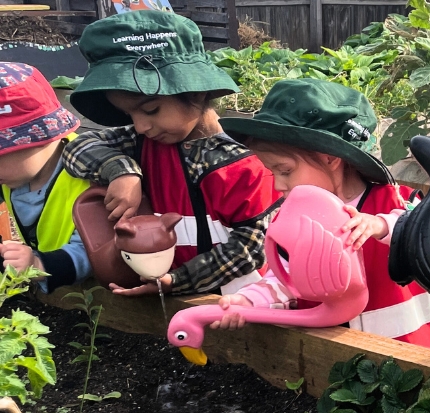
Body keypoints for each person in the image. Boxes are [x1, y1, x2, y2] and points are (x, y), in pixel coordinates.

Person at [210, 79, 430, 350]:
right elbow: (283, 277)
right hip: (330, 356)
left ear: (329, 158)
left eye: (285, 171)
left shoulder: (396, 200)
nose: (277, 185)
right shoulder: (294, 220)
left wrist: (382, 225)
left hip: (408, 354)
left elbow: (428, 230)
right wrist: (249, 301)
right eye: (273, 173)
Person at [61, 11, 279, 297]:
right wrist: (122, 170)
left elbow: (252, 247)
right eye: (129, 113)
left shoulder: (242, 166)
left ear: (197, 93)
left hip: (241, 309)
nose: (141, 125)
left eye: (151, 110)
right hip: (174, 304)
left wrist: (177, 280)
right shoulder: (141, 143)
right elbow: (77, 148)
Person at [0, 62, 91, 293]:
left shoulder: (89, 176)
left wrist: (38, 265)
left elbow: (92, 251)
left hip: (83, 288)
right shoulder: (13, 173)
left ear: (42, 136)